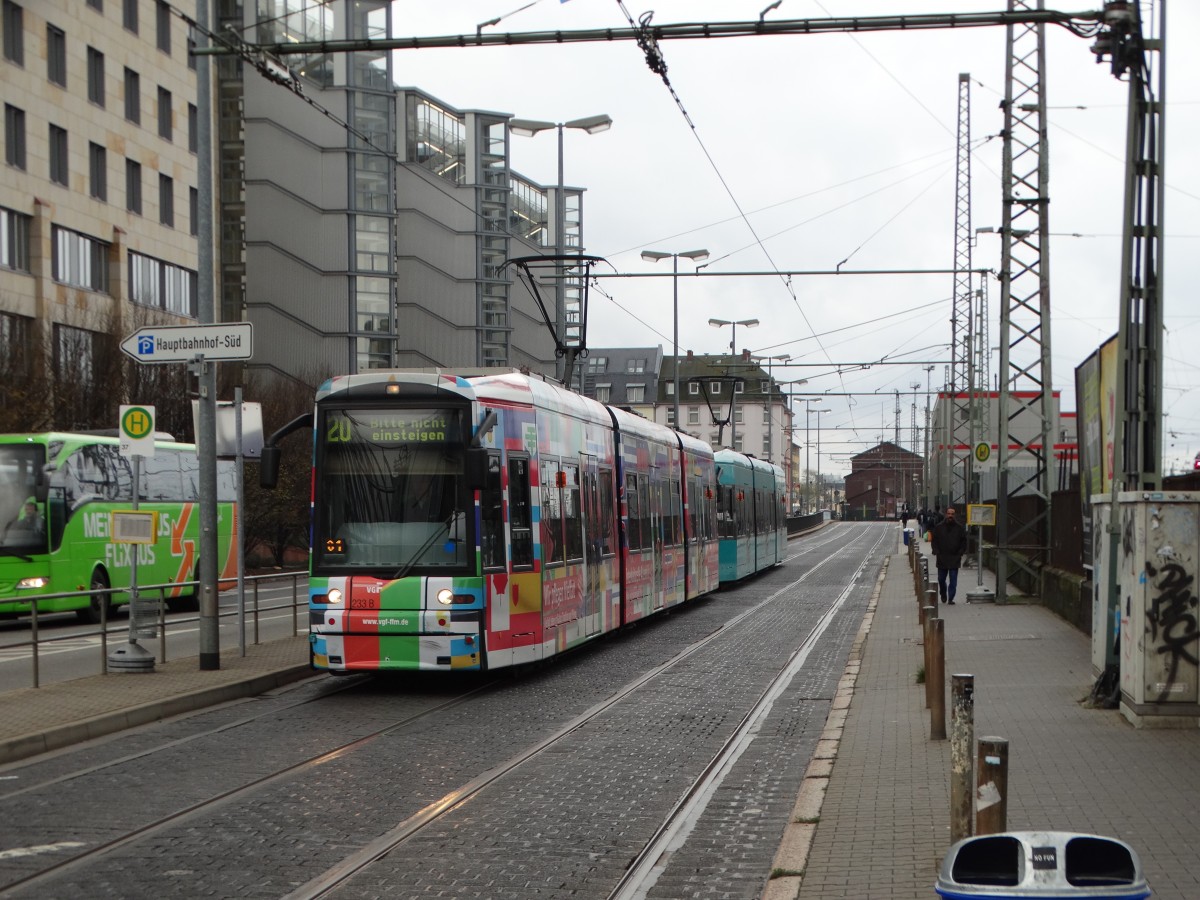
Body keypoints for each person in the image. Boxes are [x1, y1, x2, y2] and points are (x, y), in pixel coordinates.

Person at [931, 506, 968, 604]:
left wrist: (961, 551)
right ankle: (943, 593)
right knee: (941, 579)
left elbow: (964, 541)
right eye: (949, 514)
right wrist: (936, 550)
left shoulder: (959, 528)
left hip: (954, 557)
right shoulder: (939, 527)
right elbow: (934, 540)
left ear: (954, 515)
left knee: (953, 580)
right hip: (942, 557)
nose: (950, 516)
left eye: (952, 514)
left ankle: (951, 598)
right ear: (946, 514)